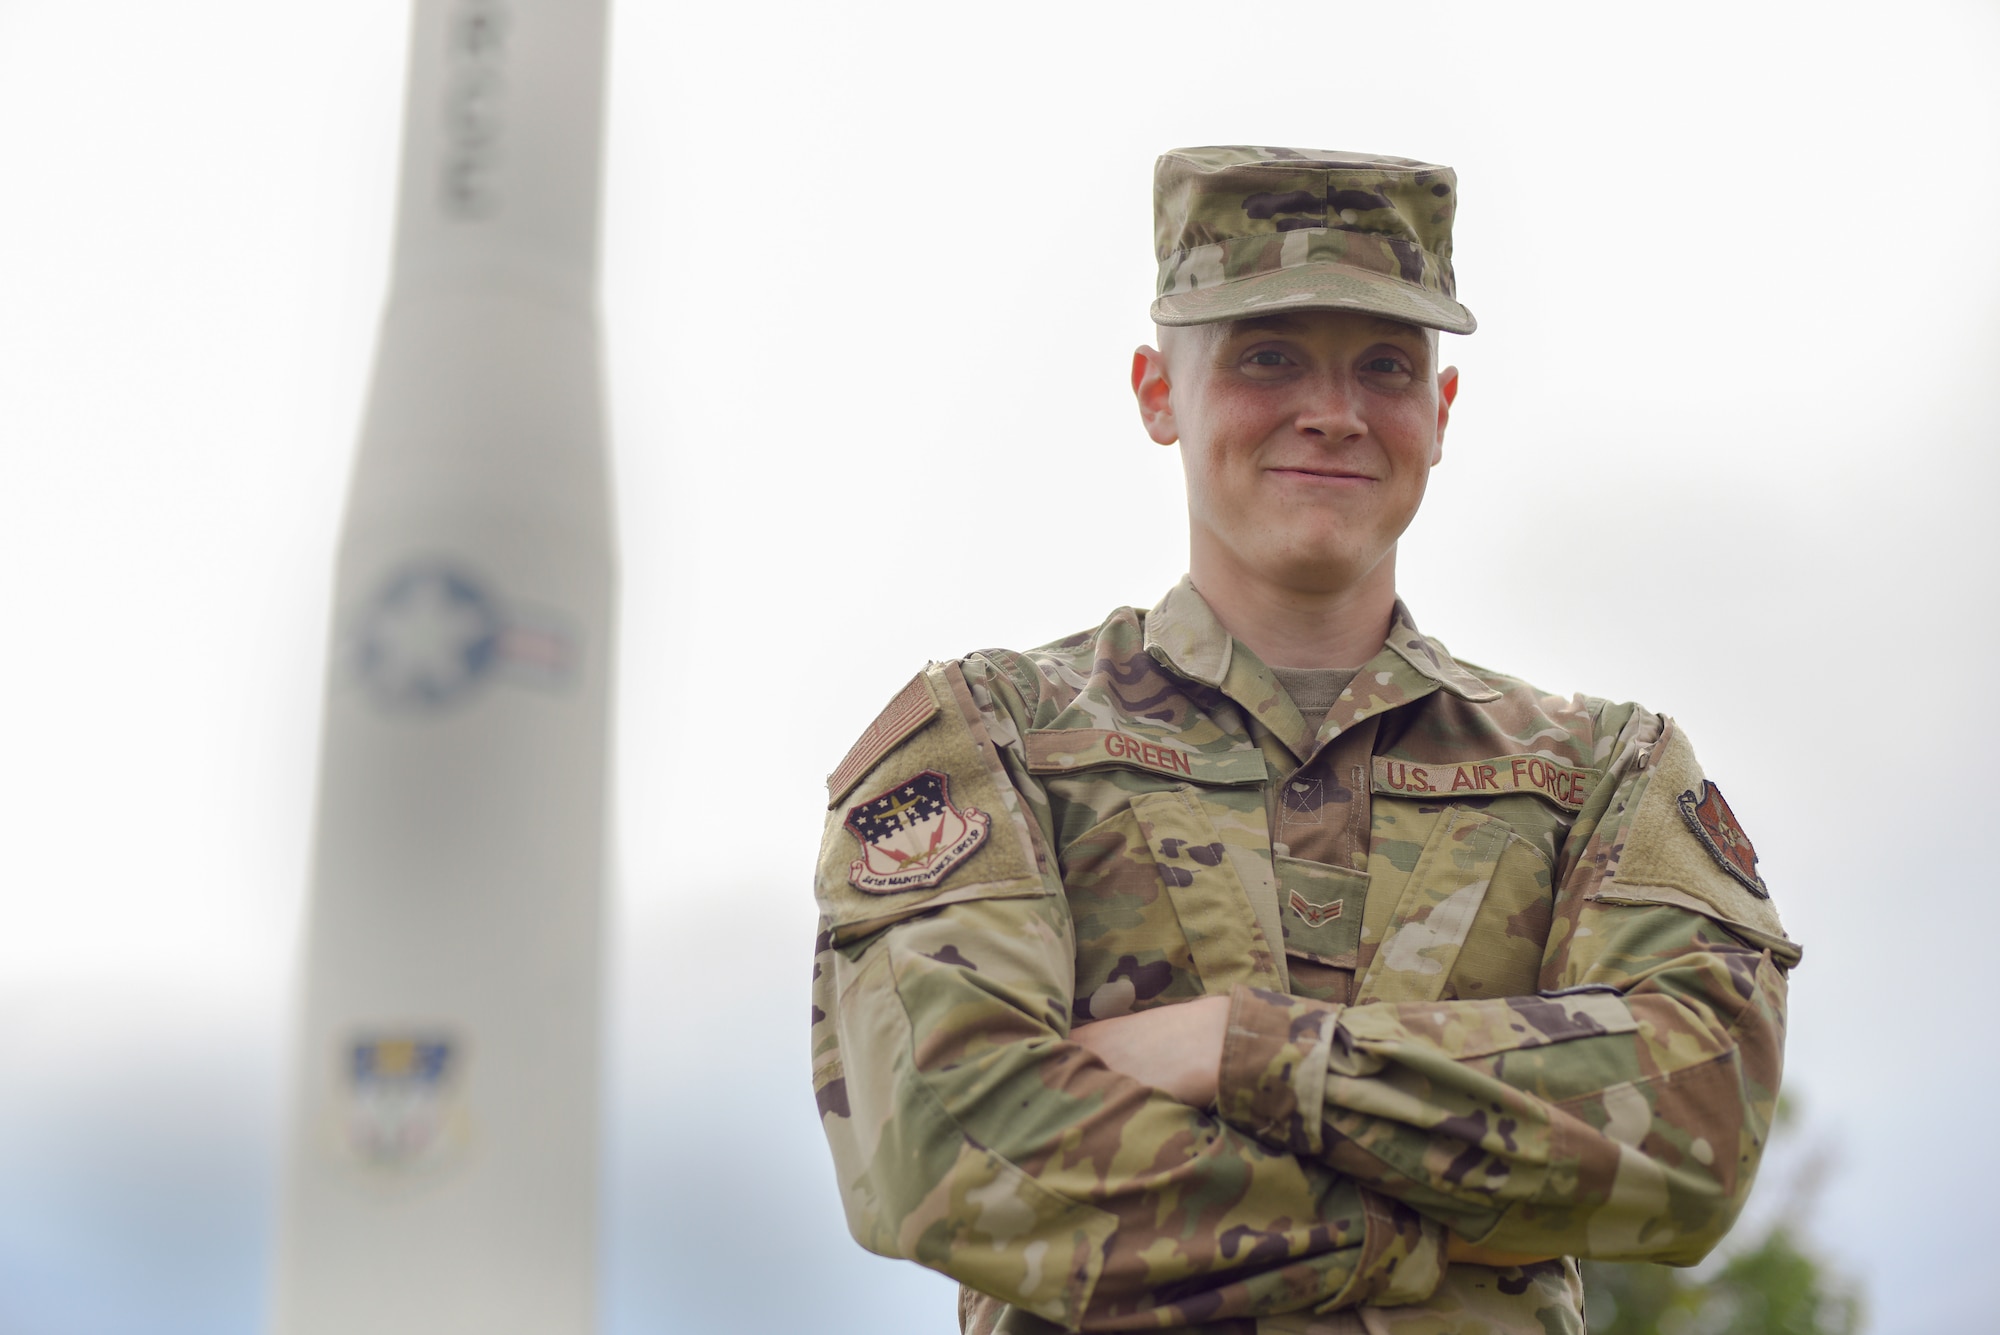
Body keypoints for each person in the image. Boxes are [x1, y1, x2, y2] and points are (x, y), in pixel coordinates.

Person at [809, 145, 1799, 1335]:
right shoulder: (996, 739)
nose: (1330, 414)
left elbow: (1690, 1133)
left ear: (1438, 414)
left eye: (1383, 367)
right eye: (1265, 356)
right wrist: (1416, 1227)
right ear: (1155, 393)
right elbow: (944, 1147)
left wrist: (1239, 1050)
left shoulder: (1596, 776)